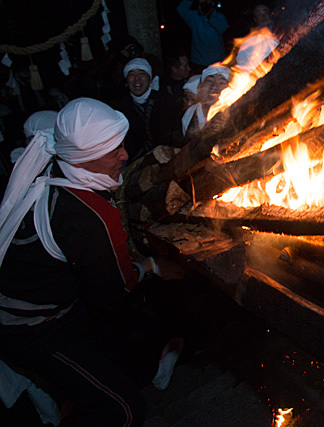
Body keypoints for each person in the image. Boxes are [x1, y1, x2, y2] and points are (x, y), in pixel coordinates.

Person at [0, 98, 184, 425]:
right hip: (29, 328)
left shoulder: (53, 166)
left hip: (56, 301)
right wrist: (154, 266)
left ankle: (152, 369)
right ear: (84, 159)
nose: (125, 155)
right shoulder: (88, 214)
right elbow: (111, 295)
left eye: (121, 146)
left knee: (122, 335)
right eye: (113, 151)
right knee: (124, 410)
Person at [118, 58, 183, 162]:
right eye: (131, 74)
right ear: (126, 81)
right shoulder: (122, 107)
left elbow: (175, 134)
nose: (137, 79)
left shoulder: (165, 101)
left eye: (141, 73)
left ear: (150, 79)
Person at [177, 0, 229, 73]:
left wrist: (210, 15)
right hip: (198, 63)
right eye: (202, 4)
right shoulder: (194, 18)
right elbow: (181, 8)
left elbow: (223, 28)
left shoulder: (218, 17)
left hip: (217, 62)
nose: (205, 6)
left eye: (207, 4)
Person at [181, 64, 230, 137]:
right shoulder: (188, 113)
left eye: (221, 83)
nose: (214, 87)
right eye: (209, 81)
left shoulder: (234, 116)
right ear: (200, 86)